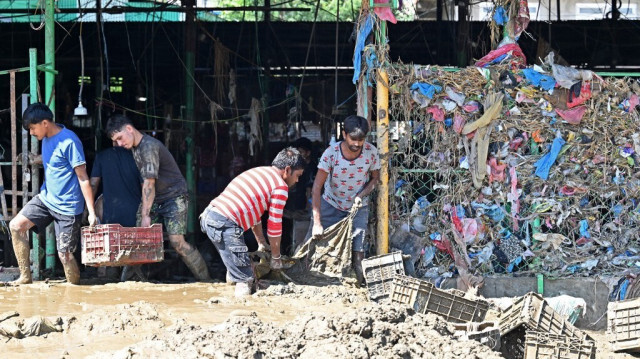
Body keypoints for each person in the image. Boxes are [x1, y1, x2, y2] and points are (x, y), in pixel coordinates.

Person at [105, 114, 210, 281]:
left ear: (129, 129)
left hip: (174, 196)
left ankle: (206, 281)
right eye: (116, 141)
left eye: (120, 138)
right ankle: (125, 283)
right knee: (138, 239)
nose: (119, 143)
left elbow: (149, 183)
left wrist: (146, 215)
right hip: (157, 197)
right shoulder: (135, 147)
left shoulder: (148, 147)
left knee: (177, 243)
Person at [8, 103, 97, 285]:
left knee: (64, 254)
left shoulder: (70, 141)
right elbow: (55, 160)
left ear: (45, 123)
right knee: (16, 226)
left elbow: (83, 177)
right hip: (47, 199)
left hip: (68, 206)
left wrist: (91, 212)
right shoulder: (47, 138)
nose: (32, 133)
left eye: (33, 128)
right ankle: (25, 276)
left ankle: (74, 287)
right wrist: (35, 159)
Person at [199, 148, 305, 297]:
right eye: (298, 175)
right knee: (245, 279)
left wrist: (261, 242)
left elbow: (254, 215)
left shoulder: (260, 172)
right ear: (287, 170)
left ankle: (231, 288)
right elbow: (274, 227)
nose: (297, 180)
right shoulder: (280, 187)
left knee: (236, 267)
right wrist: (275, 258)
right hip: (225, 223)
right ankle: (243, 311)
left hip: (210, 217)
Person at [309, 115, 380, 284]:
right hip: (331, 203)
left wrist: (360, 196)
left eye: (361, 140)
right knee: (316, 242)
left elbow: (375, 179)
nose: (357, 144)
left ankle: (357, 283)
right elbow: (316, 188)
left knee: (358, 247)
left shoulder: (371, 152)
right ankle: (311, 280)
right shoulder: (331, 154)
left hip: (357, 207)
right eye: (353, 139)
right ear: (344, 134)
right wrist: (317, 222)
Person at [90, 145, 142, 227]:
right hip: (134, 214)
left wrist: (87, 211)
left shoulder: (102, 156)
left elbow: (93, 185)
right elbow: (146, 185)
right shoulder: (138, 156)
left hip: (110, 217)